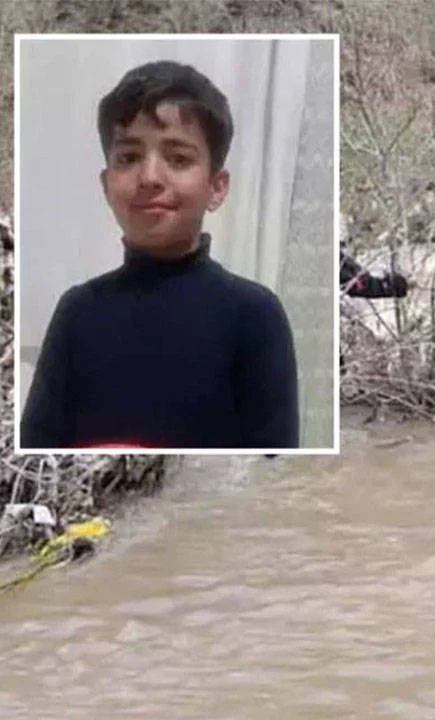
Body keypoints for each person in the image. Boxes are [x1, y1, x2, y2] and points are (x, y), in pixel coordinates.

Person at [20, 60, 299, 449]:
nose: (150, 177)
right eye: (129, 158)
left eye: (179, 159)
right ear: (106, 184)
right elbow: (37, 451)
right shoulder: (77, 313)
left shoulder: (254, 315)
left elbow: (277, 467)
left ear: (217, 187)